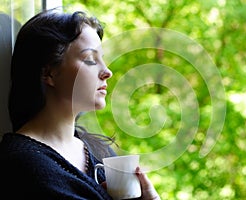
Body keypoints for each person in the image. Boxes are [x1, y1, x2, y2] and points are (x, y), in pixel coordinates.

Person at [0, 9, 160, 200]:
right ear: (49, 73)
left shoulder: (99, 150)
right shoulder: (24, 165)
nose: (107, 71)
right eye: (91, 60)